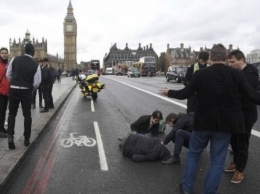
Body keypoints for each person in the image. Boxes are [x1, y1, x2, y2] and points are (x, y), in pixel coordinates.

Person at [159, 44, 260, 194]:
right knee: (217, 160)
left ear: (211, 58)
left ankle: (186, 188)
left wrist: (169, 92)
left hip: (202, 124)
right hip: (225, 126)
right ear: (225, 58)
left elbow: (185, 93)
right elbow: (253, 96)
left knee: (193, 154)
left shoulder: (201, 74)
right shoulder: (236, 75)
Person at [225, 50, 259, 183]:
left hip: (246, 114)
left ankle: (240, 170)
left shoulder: (251, 73)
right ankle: (235, 162)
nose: (230, 64)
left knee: (242, 142)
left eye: (232, 62)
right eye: (229, 62)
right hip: (235, 113)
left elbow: (244, 93)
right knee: (233, 139)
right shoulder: (235, 72)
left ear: (242, 60)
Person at [6, 43, 41, 149]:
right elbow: (36, 82)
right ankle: (26, 139)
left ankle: (10, 137)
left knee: (12, 114)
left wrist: (14, 83)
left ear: (24, 51)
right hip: (26, 91)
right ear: (33, 52)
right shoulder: (36, 65)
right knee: (27, 115)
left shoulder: (15, 59)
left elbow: (8, 74)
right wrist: (30, 89)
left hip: (14, 90)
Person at [0, 47, 10, 138]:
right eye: (2, 53)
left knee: (3, 111)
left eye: (5, 53)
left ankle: (2, 127)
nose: (4, 54)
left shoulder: (8, 64)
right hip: (0, 91)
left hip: (6, 91)